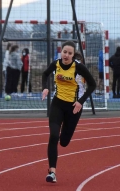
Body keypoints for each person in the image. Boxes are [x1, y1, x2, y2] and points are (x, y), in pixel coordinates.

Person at [41, 41, 96, 183]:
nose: (66, 55)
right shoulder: (56, 64)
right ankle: (52, 172)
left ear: (73, 55)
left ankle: (65, 128)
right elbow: (45, 74)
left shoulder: (78, 67)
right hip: (57, 104)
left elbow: (93, 84)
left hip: (73, 107)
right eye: (64, 52)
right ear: (61, 51)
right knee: (54, 135)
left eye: (69, 53)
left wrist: (81, 101)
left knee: (64, 142)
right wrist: (45, 88)